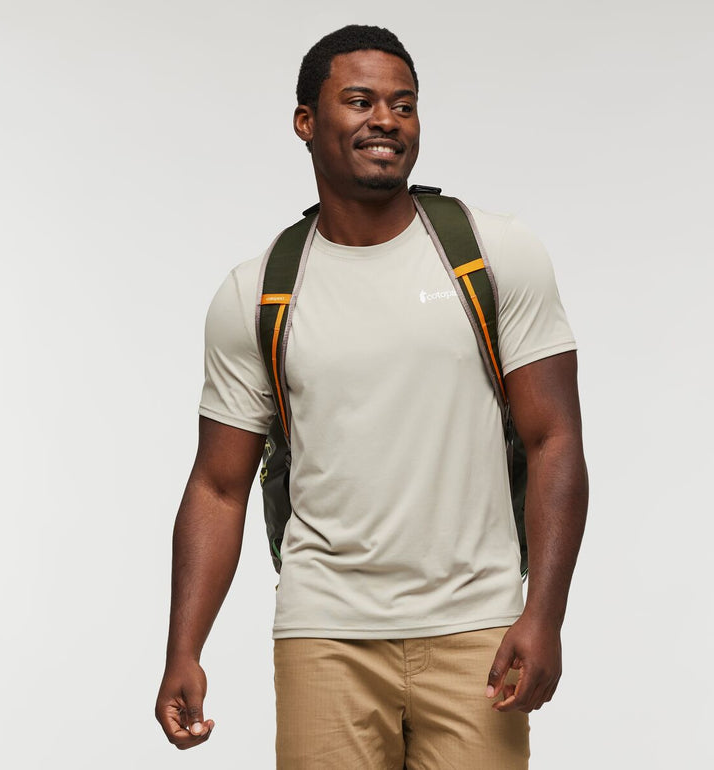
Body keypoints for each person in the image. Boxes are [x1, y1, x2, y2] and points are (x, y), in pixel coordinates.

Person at [155, 24, 588, 769]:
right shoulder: (257, 292)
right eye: (360, 101)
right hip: (324, 634)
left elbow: (556, 440)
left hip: (477, 630)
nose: (386, 119)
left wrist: (544, 614)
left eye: (403, 105)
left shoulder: (494, 255)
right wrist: (183, 649)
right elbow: (218, 486)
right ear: (305, 121)